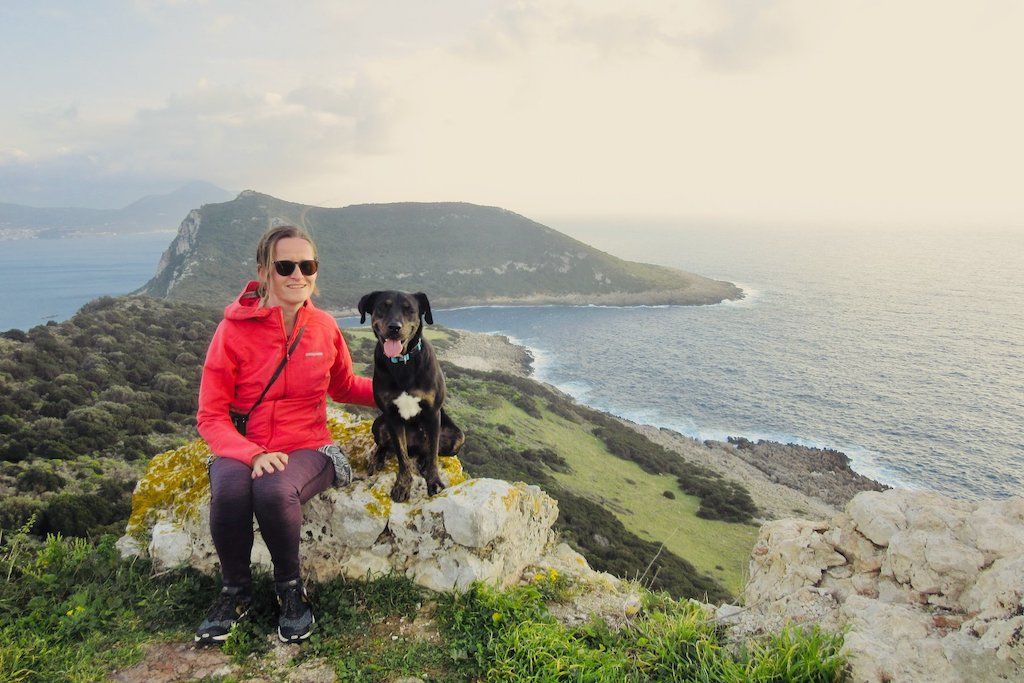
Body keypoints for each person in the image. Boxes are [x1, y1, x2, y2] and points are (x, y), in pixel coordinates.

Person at [193, 225, 375, 644]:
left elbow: (344, 386)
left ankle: (290, 589)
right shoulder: (232, 331)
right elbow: (210, 415)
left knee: (274, 491)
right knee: (232, 489)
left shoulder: (324, 327)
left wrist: (400, 394)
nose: (298, 274)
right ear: (264, 271)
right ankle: (235, 592)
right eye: (285, 265)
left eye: (307, 265)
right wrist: (251, 452)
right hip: (245, 443)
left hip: (308, 444)